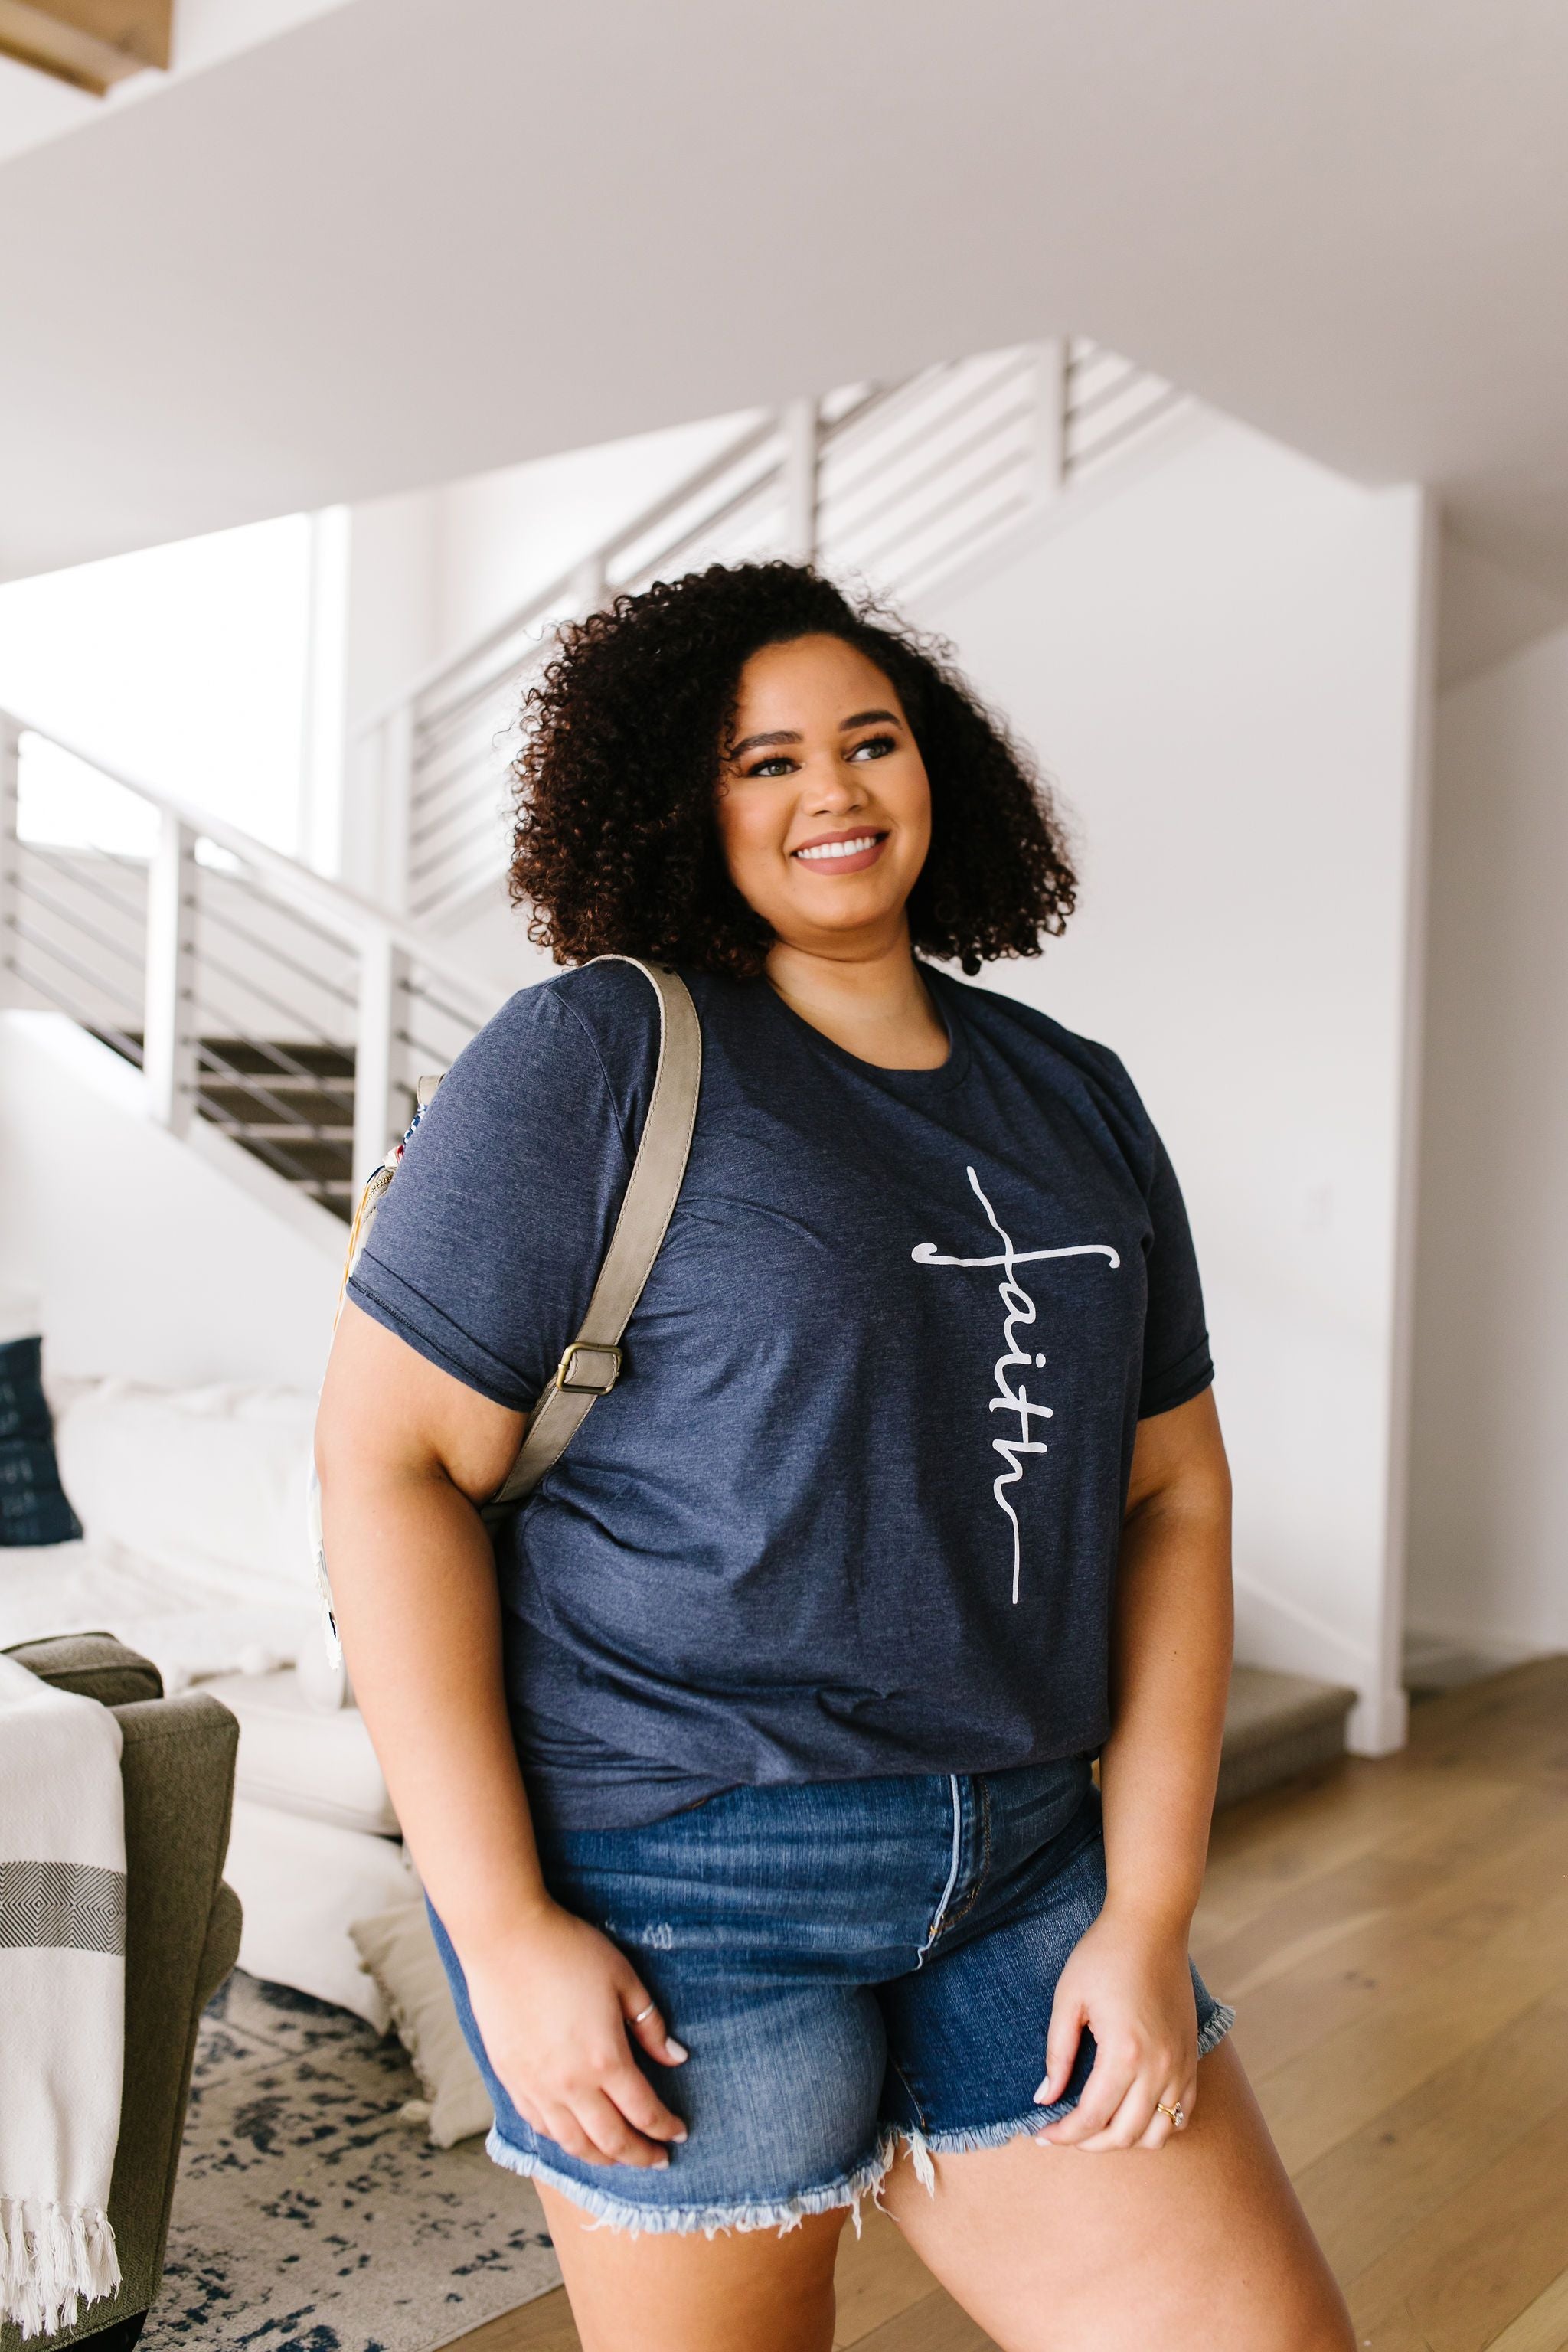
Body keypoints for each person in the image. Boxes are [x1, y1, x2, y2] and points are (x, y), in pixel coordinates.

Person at [315, 561, 1353, 2352]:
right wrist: (497, 1930)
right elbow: (383, 1465)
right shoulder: (599, 1054)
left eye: (867, 742)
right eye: (764, 761)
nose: (834, 793)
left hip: (1027, 1863)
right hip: (678, 1884)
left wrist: (1147, 1904)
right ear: (673, 798)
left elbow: (1173, 1492)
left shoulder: (1074, 1091)